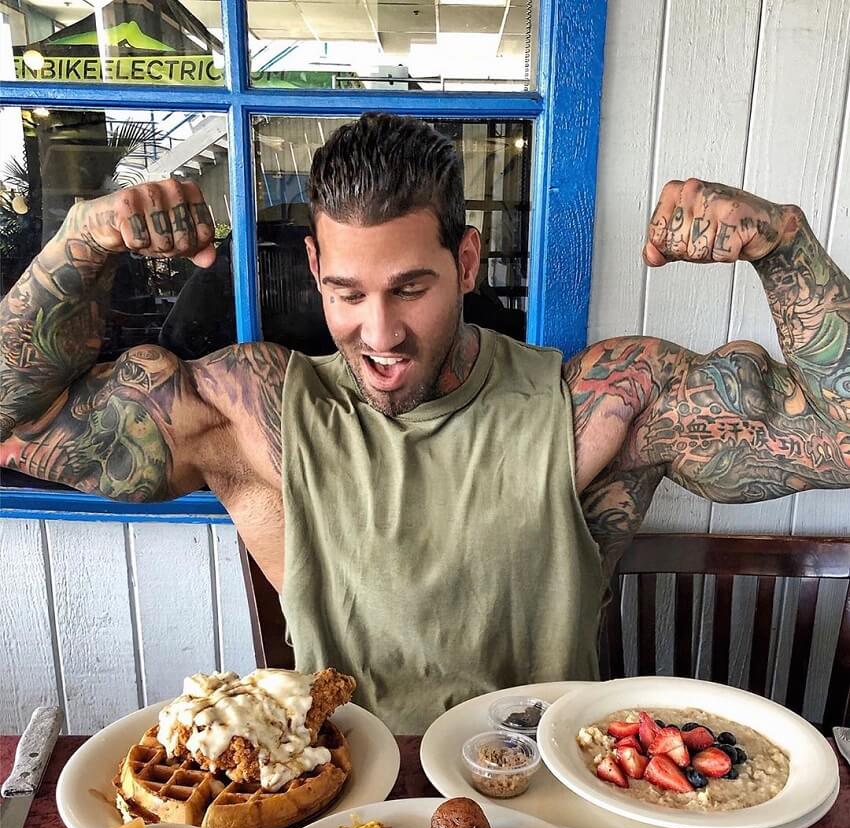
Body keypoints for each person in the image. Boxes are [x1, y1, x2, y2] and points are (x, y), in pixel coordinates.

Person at [2, 114, 848, 733]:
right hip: (338, 825)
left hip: (547, 823)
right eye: (347, 292)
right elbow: (15, 420)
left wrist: (786, 245)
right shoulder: (252, 411)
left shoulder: (600, 401)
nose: (379, 335)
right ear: (314, 267)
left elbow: (840, 438)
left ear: (467, 261)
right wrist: (80, 244)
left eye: (411, 288)